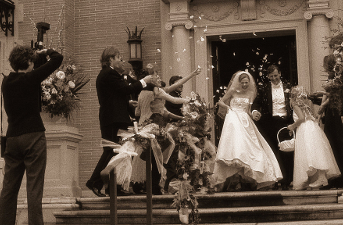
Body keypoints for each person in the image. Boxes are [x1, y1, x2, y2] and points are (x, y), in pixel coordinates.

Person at [0, 45, 63, 225]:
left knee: (8, 190)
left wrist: (37, 57)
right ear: (29, 63)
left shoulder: (6, 82)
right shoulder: (31, 78)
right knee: (34, 189)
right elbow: (57, 59)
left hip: (12, 137)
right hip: (33, 136)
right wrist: (46, 51)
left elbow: (39, 68)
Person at [86, 46, 153, 197]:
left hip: (114, 117)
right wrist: (143, 82)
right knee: (113, 150)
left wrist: (128, 104)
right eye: (119, 57)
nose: (121, 60)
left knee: (119, 152)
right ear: (110, 59)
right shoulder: (109, 73)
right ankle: (95, 182)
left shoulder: (109, 74)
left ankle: (114, 188)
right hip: (113, 119)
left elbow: (114, 96)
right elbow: (125, 89)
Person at [130, 66, 201, 194]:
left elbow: (138, 112)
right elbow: (174, 99)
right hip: (155, 127)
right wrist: (190, 100)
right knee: (160, 155)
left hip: (143, 127)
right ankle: (156, 186)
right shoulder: (157, 92)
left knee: (152, 157)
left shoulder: (141, 93)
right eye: (156, 76)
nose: (158, 78)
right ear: (150, 79)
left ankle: (147, 185)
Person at [212, 71, 283, 190]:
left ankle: (247, 177)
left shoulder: (251, 93)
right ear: (239, 82)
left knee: (252, 146)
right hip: (233, 118)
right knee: (236, 145)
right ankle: (234, 179)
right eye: (243, 82)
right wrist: (228, 108)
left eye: (246, 83)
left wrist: (254, 115)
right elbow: (220, 101)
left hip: (245, 119)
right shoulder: (233, 91)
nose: (245, 85)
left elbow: (249, 110)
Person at [287, 86, 341, 190]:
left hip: (304, 129)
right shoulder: (306, 106)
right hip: (312, 127)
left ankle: (318, 178)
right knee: (316, 152)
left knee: (309, 153)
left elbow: (301, 119)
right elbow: (311, 117)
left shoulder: (295, 104)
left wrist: (292, 126)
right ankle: (316, 178)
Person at [251, 64, 295, 189]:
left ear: (280, 74)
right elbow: (256, 103)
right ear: (268, 77)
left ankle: (287, 180)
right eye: (271, 77)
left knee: (287, 150)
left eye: (276, 75)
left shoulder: (288, 87)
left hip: (286, 122)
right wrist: (255, 112)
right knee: (274, 151)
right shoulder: (264, 88)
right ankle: (276, 179)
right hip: (270, 122)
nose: (274, 78)